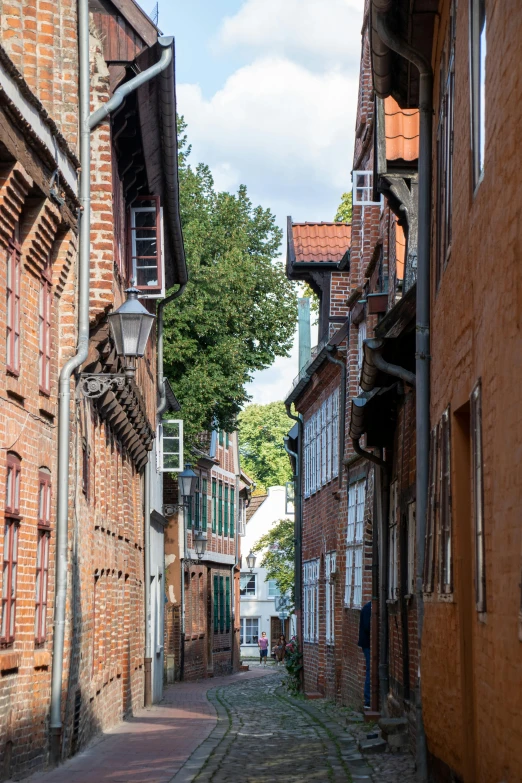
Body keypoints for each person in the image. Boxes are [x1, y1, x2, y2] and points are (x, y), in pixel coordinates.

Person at [358, 601, 371, 708]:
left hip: (367, 643)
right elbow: (368, 627)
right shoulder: (368, 608)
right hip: (368, 644)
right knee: (370, 670)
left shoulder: (367, 607)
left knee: (370, 669)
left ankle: (369, 698)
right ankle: (368, 699)